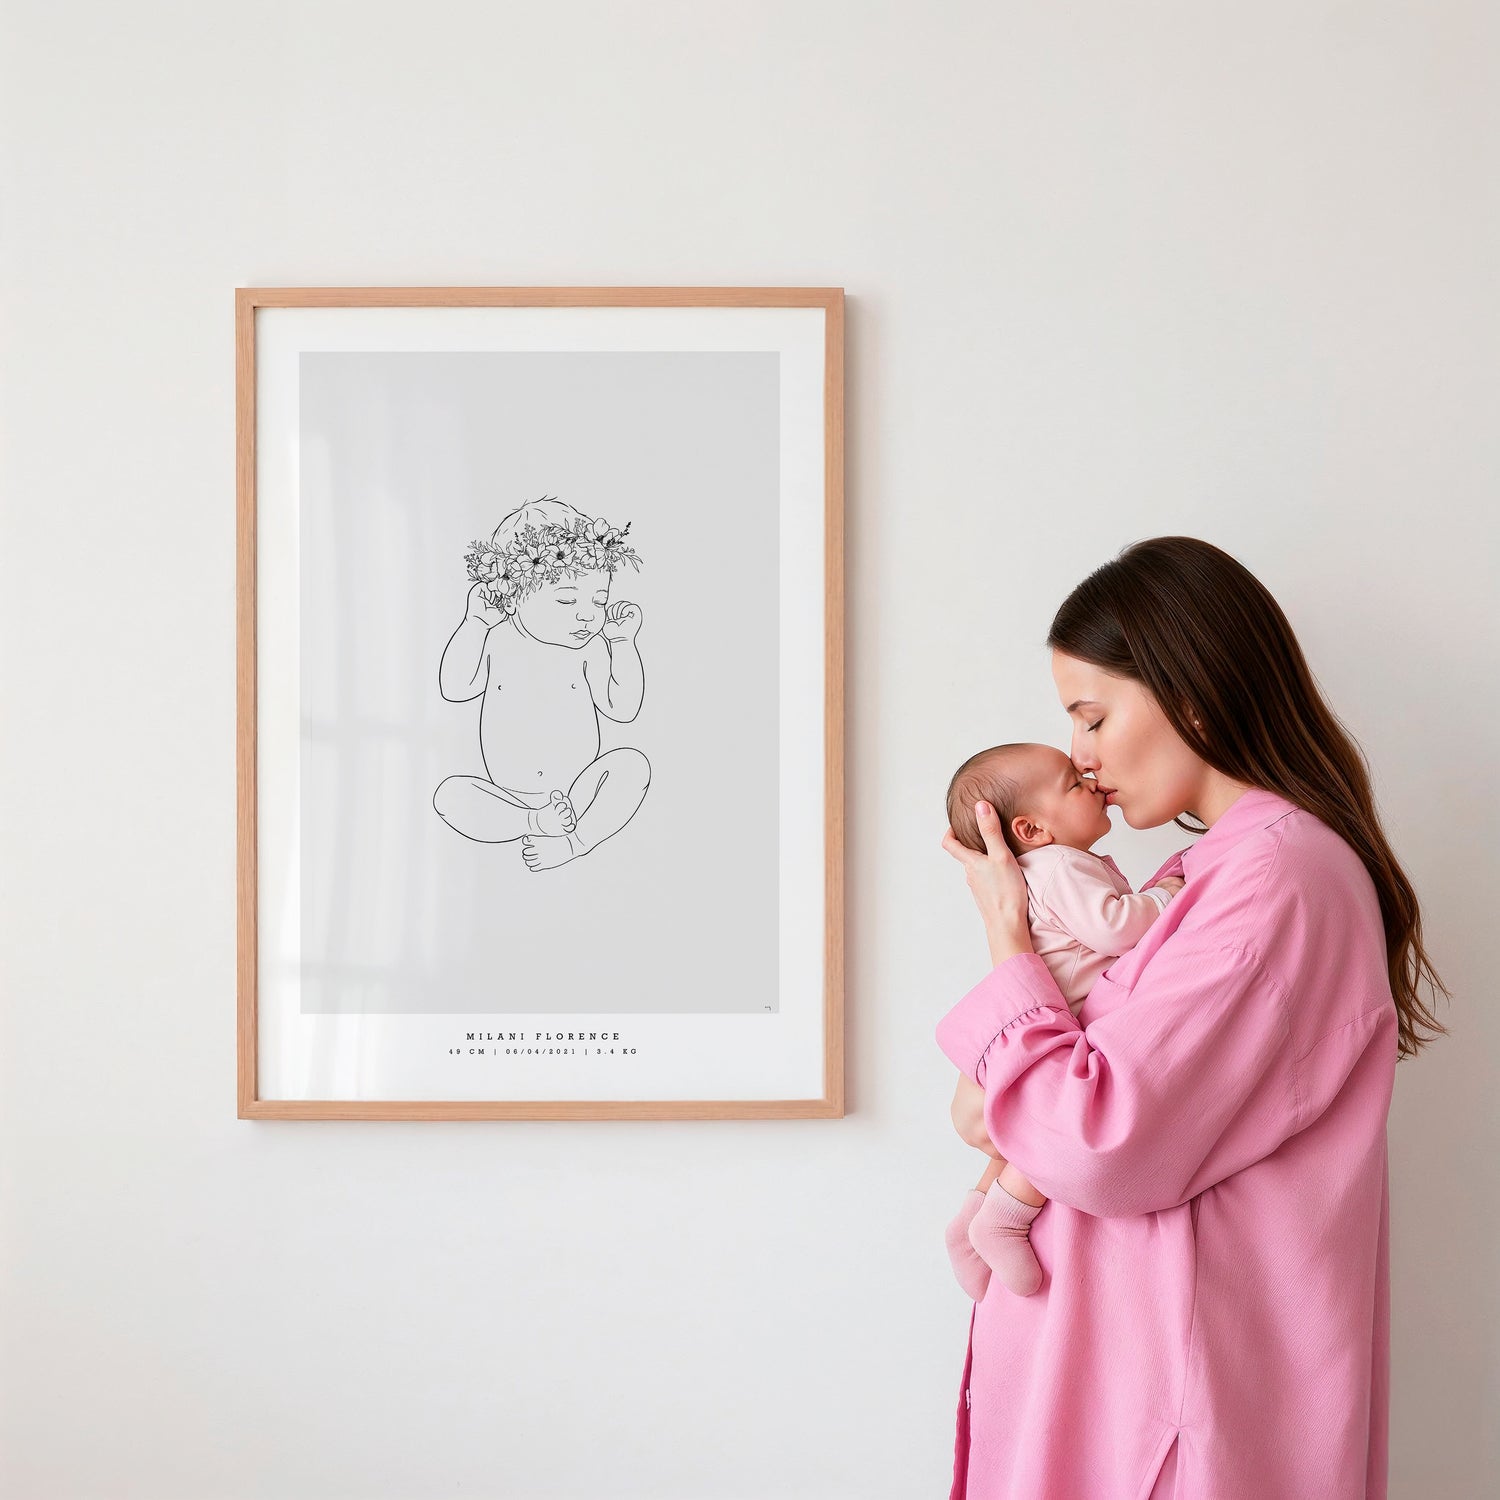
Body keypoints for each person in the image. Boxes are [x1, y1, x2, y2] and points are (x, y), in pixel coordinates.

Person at [936, 537, 1449, 1500]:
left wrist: (1010, 938)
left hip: (1171, 1420)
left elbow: (1095, 1139)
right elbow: (983, 1112)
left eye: (1091, 716)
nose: (1080, 760)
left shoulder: (1275, 880)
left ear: (1191, 690)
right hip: (1118, 1391)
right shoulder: (1199, 876)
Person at [942, 742, 1185, 1299]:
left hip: (1013, 1041)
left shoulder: (1044, 870)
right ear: (1031, 831)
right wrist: (1166, 896)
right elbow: (1115, 928)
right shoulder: (1058, 868)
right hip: (1044, 1041)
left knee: (1021, 1143)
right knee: (1048, 1134)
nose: (1093, 781)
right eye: (1074, 784)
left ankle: (973, 1216)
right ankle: (1003, 1219)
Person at [432, 497, 652, 871]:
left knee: (633, 767)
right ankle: (533, 824)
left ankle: (576, 842)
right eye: (567, 600)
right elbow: (454, 688)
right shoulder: (496, 640)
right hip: (507, 798)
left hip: (577, 792)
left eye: (599, 601)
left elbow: (623, 709)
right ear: (513, 596)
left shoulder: (591, 649)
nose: (587, 615)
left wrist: (622, 644)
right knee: (449, 795)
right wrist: (474, 624)